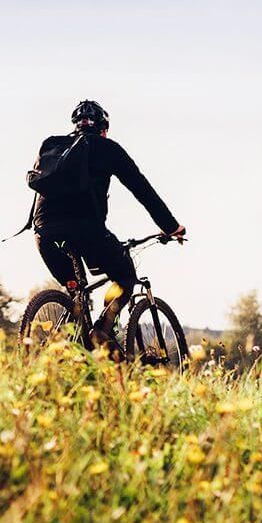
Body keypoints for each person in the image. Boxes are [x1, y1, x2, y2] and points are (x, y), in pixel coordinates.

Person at [30, 100, 185, 348]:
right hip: (86, 232)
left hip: (45, 235)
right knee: (125, 276)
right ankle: (102, 330)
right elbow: (142, 190)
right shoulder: (108, 148)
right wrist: (171, 226)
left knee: (77, 296)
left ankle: (75, 356)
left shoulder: (53, 148)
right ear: (104, 128)